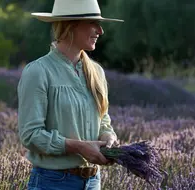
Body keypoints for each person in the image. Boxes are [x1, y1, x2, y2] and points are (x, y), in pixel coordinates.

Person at [17, 0, 124, 189]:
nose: (100, 31)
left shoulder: (96, 72)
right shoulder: (38, 72)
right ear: (71, 25)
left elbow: (103, 120)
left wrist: (108, 137)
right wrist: (79, 147)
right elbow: (31, 135)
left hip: (93, 182)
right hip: (52, 182)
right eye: (93, 23)